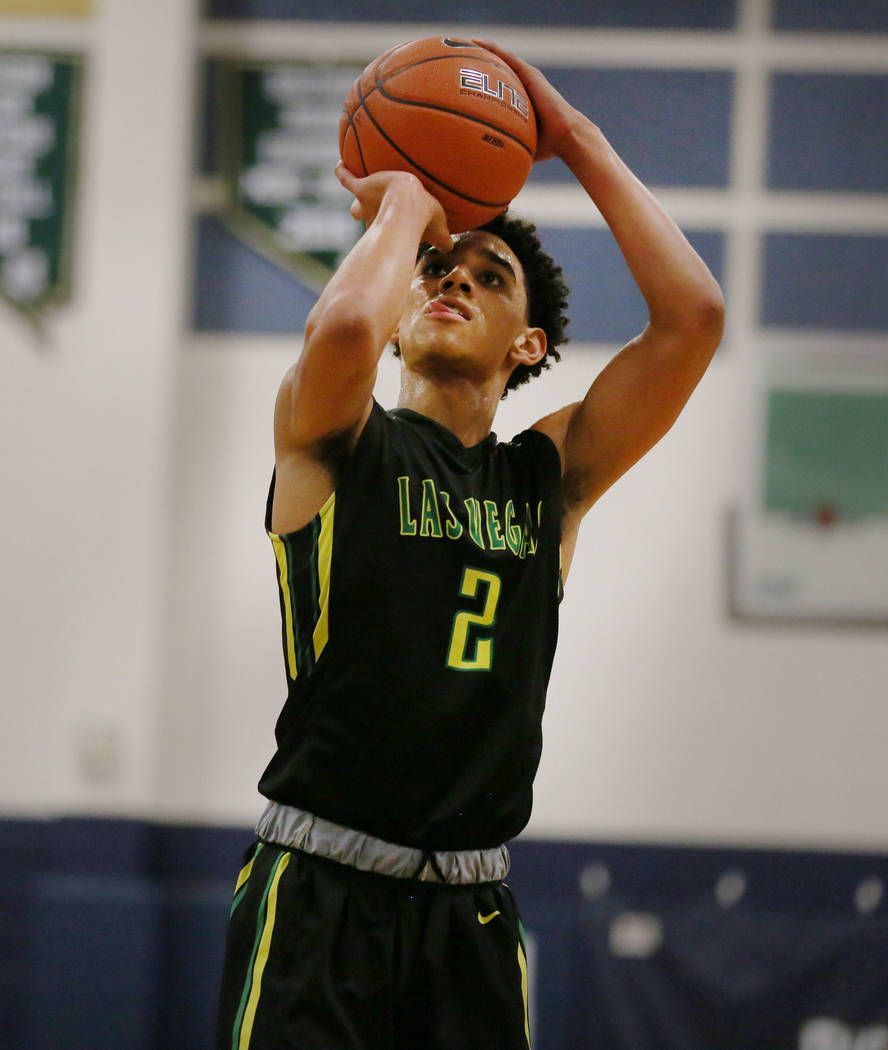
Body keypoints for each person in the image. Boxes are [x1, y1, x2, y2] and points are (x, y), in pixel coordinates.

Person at [215, 38, 724, 1050]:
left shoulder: (549, 475)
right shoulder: (338, 439)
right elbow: (345, 335)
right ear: (402, 312)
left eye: (489, 277)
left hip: (472, 911)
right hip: (320, 889)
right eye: (434, 273)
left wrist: (573, 137)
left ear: (527, 346)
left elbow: (693, 318)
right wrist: (409, 204)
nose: (452, 280)